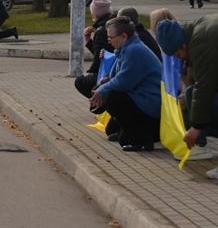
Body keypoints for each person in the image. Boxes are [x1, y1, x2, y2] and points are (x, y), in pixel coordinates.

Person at [91, 16, 162, 151]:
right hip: (140, 97)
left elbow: (124, 82)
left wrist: (102, 90)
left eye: (111, 37)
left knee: (111, 96)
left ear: (123, 36)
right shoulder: (127, 48)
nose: (109, 40)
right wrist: (101, 84)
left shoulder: (134, 50)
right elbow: (114, 76)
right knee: (105, 92)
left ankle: (142, 138)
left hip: (150, 101)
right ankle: (132, 133)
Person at [157, 16, 218, 172]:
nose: (180, 58)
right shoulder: (197, 28)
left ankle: (200, 140)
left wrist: (196, 127)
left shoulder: (201, 43)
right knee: (192, 94)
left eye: (177, 54)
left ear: (182, 46)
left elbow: (205, 87)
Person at [75, 0, 116, 99]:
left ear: (94, 13)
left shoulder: (101, 31)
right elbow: (103, 52)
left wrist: (91, 71)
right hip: (113, 67)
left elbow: (99, 56)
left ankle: (100, 103)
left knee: (80, 82)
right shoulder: (111, 25)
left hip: (108, 71)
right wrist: (89, 41)